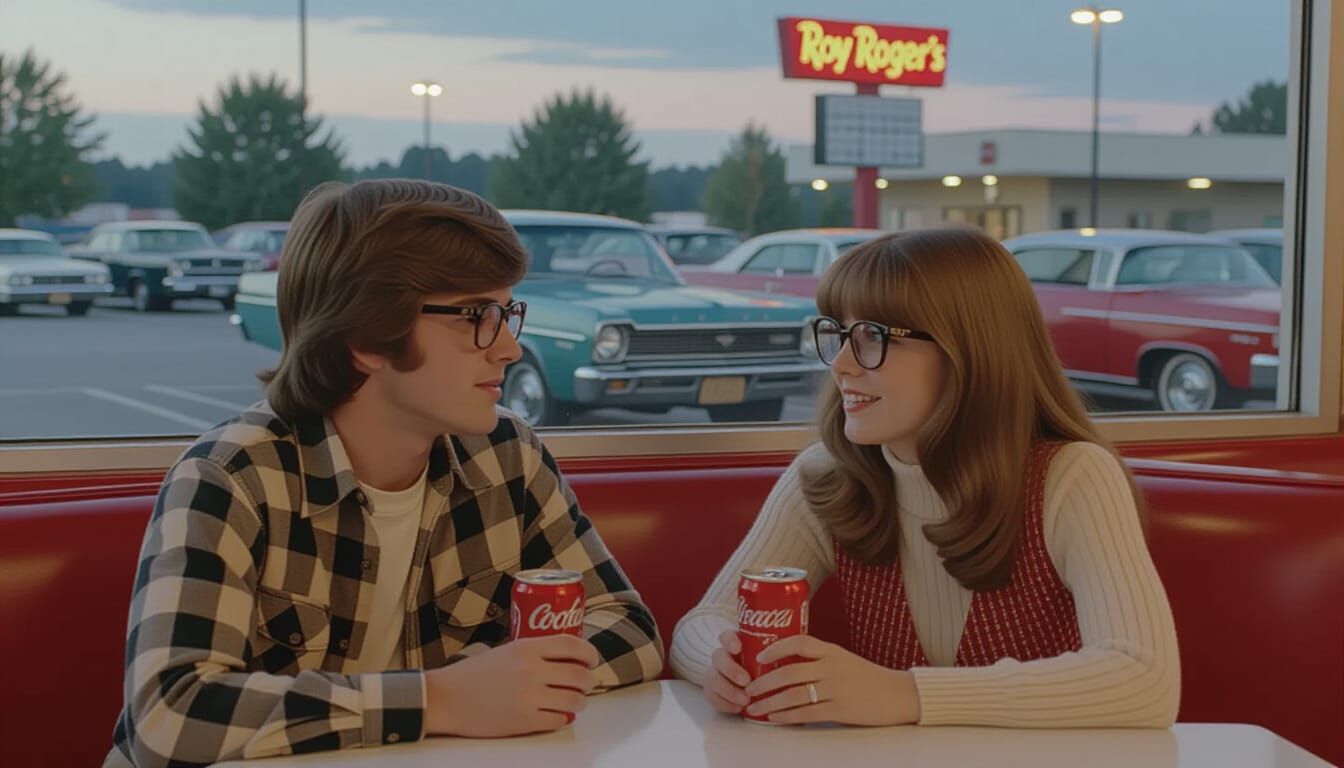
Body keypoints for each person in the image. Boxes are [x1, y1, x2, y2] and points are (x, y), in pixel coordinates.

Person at [106, 180, 664, 768]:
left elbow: (630, 630)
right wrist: (442, 699)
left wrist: (501, 684)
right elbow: (170, 715)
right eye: (477, 315)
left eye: (507, 313)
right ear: (366, 337)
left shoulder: (506, 453)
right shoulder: (233, 475)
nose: (508, 348)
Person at [669, 227, 1179, 728]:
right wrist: (725, 665)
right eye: (839, 334)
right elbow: (701, 624)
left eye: (872, 337)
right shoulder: (827, 474)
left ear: (969, 350)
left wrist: (904, 695)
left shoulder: (1073, 475)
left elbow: (1144, 679)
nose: (842, 364)